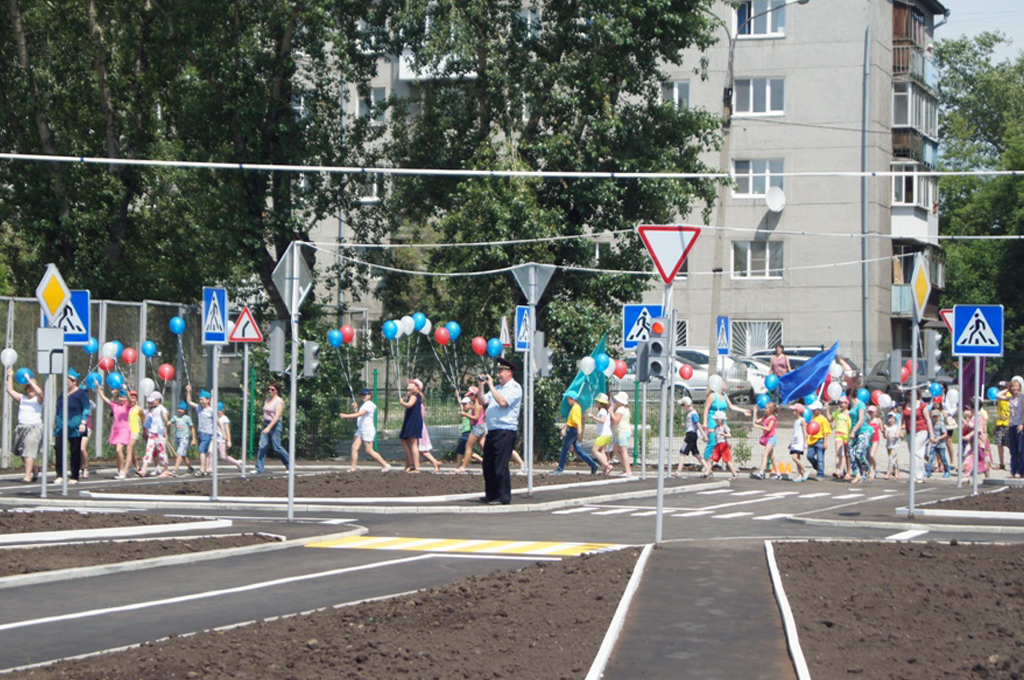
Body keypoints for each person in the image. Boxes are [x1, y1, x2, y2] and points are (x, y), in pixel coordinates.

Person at [476, 357, 522, 505]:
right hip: (493, 430)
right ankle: (491, 494)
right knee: (488, 464)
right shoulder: (498, 388)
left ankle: (503, 497)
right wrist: (482, 386)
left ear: (509, 372)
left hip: (505, 430)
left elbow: (503, 402)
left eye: (501, 371)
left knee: (500, 465)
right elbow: (483, 401)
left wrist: (491, 386)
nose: (498, 374)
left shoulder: (515, 388)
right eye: (497, 371)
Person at [702, 378, 750, 472]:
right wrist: (705, 422)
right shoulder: (712, 396)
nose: (726, 385)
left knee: (727, 443)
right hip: (713, 421)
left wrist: (743, 410)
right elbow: (706, 409)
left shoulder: (724, 395)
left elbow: (731, 406)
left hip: (723, 421)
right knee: (712, 442)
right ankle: (705, 464)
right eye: (725, 383)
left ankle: (730, 465)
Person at [338, 388, 390, 472]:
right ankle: (353, 468)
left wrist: (345, 416)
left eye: (364, 395)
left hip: (367, 430)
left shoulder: (369, 404)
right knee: (354, 447)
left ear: (369, 396)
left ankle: (385, 465)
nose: (363, 396)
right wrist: (356, 409)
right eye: (361, 395)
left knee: (369, 450)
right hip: (361, 429)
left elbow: (360, 414)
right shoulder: (365, 404)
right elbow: (360, 413)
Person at [6, 367, 44, 483]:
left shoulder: (39, 399)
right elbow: (10, 390)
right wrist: (10, 376)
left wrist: (30, 379)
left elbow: (40, 392)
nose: (30, 389)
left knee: (28, 452)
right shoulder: (23, 398)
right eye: (28, 388)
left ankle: (27, 476)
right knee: (23, 454)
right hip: (22, 427)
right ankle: (34, 469)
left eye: (31, 387)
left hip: (34, 427)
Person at [53, 368, 90, 484]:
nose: (67, 382)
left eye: (69, 380)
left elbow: (86, 408)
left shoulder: (81, 394)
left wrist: (83, 422)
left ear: (74, 382)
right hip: (61, 426)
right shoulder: (63, 393)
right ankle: (60, 474)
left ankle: (74, 475)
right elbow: (58, 408)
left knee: (75, 451)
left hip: (75, 427)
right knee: (59, 449)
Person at [552, 390, 599, 475]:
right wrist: (565, 428)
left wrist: (579, 433)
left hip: (572, 431)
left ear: (573, 399)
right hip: (572, 429)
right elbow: (570, 421)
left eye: (568, 399)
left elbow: (578, 422)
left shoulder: (576, 408)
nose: (567, 401)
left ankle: (560, 469)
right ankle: (593, 465)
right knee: (578, 450)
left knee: (565, 449)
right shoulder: (574, 408)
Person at [400, 378, 439, 473]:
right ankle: (411, 464)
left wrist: (402, 403)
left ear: (416, 387)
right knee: (405, 441)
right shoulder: (413, 395)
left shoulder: (414, 396)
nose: (409, 384)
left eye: (412, 383)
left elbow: (409, 405)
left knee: (413, 444)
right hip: (411, 421)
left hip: (413, 421)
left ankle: (416, 467)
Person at [97, 387, 132, 478]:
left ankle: (122, 470)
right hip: (115, 431)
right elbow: (103, 398)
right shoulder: (114, 405)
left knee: (118, 450)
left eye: (123, 397)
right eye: (120, 397)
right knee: (117, 452)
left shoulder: (127, 406)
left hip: (124, 430)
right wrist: (98, 388)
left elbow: (131, 401)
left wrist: (126, 390)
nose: (121, 399)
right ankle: (120, 470)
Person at [254, 382, 289, 473]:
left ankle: (290, 465)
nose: (270, 391)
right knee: (262, 446)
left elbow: (277, 416)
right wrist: (265, 425)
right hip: (266, 424)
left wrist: (269, 428)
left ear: (277, 391)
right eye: (269, 389)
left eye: (272, 389)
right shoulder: (267, 400)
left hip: (275, 425)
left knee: (277, 447)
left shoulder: (279, 401)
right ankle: (259, 468)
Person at [902, 389, 934, 483]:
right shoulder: (905, 406)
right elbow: (901, 419)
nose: (911, 395)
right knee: (913, 453)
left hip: (921, 430)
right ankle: (916, 474)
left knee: (917, 452)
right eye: (910, 394)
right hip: (909, 431)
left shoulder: (922, 405)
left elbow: (928, 420)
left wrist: (931, 434)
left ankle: (919, 476)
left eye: (914, 394)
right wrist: (898, 430)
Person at [138, 391, 171, 478]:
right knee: (148, 450)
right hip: (152, 433)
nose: (151, 403)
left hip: (159, 434)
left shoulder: (161, 408)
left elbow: (165, 416)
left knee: (161, 452)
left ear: (158, 400)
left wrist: (166, 421)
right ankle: (144, 469)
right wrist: (145, 429)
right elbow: (149, 420)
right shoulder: (152, 410)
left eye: (153, 401)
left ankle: (166, 470)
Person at [996, 377, 1024, 478]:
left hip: (1019, 424)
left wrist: (1022, 423)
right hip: (1011, 424)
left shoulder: (1022, 397)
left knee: (1021, 449)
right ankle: (1014, 469)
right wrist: (1008, 389)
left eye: (1016, 386)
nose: (1015, 388)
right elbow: (998, 395)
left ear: (1020, 387)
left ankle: (1020, 471)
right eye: (1013, 386)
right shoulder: (1011, 398)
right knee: (1013, 449)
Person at [186, 386, 216, 475]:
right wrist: (189, 392)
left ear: (208, 400)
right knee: (204, 451)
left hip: (207, 434)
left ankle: (202, 469)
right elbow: (189, 402)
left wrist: (213, 395)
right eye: (200, 400)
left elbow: (214, 410)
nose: (201, 401)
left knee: (201, 450)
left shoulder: (211, 410)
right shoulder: (199, 408)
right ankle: (206, 468)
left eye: (203, 400)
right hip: (200, 433)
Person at [455, 387, 486, 473]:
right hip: (482, 426)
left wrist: (465, 415)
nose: (470, 397)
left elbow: (476, 418)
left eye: (471, 395)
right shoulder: (480, 403)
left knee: (468, 446)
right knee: (484, 447)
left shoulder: (476, 404)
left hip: (477, 427)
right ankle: (491, 463)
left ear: (475, 395)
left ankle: (463, 467)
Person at [208, 402, 243, 474]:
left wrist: (229, 440)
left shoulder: (224, 419)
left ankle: (237, 463)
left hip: (221, 439)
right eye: (216, 411)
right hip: (214, 438)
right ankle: (210, 468)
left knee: (223, 456)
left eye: (219, 411)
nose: (218, 412)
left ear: (222, 410)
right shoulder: (214, 418)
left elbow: (227, 430)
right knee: (210, 451)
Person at [704, 411, 738, 480]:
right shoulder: (716, 427)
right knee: (711, 459)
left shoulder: (725, 427)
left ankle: (735, 474)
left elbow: (729, 435)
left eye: (716, 419)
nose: (715, 421)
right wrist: (706, 430)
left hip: (723, 445)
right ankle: (707, 473)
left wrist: (724, 434)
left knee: (727, 460)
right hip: (717, 445)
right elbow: (711, 430)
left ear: (721, 420)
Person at [585, 393, 613, 475]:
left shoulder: (602, 411)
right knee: (602, 451)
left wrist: (593, 417)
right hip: (607, 433)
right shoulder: (605, 411)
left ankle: (607, 465)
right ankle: (605, 469)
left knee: (595, 450)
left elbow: (602, 420)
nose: (596, 403)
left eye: (597, 401)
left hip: (603, 434)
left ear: (601, 403)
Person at [677, 396, 705, 475]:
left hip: (690, 435)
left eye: (683, 406)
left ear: (686, 405)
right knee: (696, 453)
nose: (684, 408)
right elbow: (693, 425)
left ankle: (678, 471)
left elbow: (698, 424)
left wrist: (704, 435)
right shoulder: (691, 413)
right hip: (692, 433)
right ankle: (707, 468)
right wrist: (685, 426)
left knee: (683, 453)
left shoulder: (693, 413)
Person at [751, 401, 778, 480]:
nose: (764, 410)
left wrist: (758, 426)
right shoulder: (765, 417)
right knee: (772, 456)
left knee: (764, 454)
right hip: (767, 437)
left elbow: (768, 428)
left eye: (766, 408)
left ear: (771, 410)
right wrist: (755, 412)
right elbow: (756, 421)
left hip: (771, 438)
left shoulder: (772, 418)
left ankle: (762, 472)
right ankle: (778, 473)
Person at [169, 400, 196, 476]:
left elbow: (192, 428)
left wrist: (194, 439)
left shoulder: (187, 418)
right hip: (178, 437)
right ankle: (190, 467)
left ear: (185, 410)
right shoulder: (175, 417)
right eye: (179, 409)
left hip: (184, 438)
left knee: (179, 453)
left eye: (182, 409)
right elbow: (169, 422)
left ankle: (175, 469)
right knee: (183, 455)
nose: (180, 411)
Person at [805, 401, 831, 480]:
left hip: (820, 440)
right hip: (812, 440)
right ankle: (817, 467)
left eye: (814, 409)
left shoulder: (823, 419)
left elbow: (825, 431)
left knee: (820, 458)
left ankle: (820, 474)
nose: (812, 411)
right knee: (809, 456)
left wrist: (825, 442)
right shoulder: (811, 418)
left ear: (819, 410)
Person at [610, 392, 633, 478]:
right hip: (622, 431)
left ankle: (628, 470)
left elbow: (616, 420)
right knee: (616, 449)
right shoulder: (625, 409)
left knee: (623, 451)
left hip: (622, 431)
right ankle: (625, 467)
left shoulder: (620, 410)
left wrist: (611, 411)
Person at [925, 408, 951, 478]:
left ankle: (947, 471)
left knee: (943, 458)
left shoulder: (941, 424)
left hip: (941, 444)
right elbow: (932, 434)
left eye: (936, 416)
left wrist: (938, 438)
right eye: (933, 416)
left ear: (939, 416)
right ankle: (928, 472)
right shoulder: (932, 424)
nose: (935, 418)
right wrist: (929, 440)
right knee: (931, 458)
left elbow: (945, 434)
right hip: (934, 444)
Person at [832, 397, 852, 479]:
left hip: (846, 435)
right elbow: (832, 421)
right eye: (840, 402)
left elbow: (850, 425)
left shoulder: (849, 413)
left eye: (843, 403)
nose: (841, 404)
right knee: (838, 453)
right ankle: (837, 470)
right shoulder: (837, 413)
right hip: (838, 434)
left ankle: (842, 470)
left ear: (847, 404)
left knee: (845, 454)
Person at [788, 404, 809, 482]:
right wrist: (791, 443)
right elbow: (795, 433)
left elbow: (805, 432)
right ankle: (800, 474)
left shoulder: (802, 420)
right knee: (797, 458)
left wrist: (805, 442)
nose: (793, 412)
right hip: (795, 441)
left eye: (794, 410)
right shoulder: (795, 420)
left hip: (799, 442)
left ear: (798, 412)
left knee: (794, 457)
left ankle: (804, 471)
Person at [125, 390, 143, 476]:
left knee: (129, 448)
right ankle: (137, 466)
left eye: (133, 398)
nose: (132, 399)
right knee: (130, 451)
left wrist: (145, 430)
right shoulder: (126, 407)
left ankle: (126, 469)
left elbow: (144, 419)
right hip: (125, 431)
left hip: (135, 430)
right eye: (130, 397)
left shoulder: (138, 409)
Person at [994, 380, 1010, 470]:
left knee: (1008, 443)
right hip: (1000, 422)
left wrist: (1008, 389)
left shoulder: (1009, 396)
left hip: (1008, 422)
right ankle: (1001, 463)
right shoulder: (1001, 397)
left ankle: (1017, 460)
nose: (1001, 389)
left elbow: (999, 395)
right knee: (999, 443)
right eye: (1000, 387)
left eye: (1003, 387)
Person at [884, 412, 902, 480]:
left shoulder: (897, 427)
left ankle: (889, 472)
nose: (890, 420)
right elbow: (885, 437)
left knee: (891, 458)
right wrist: (885, 431)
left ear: (895, 419)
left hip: (896, 445)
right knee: (894, 459)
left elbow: (902, 435)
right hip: (889, 445)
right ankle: (897, 471)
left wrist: (898, 435)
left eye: (892, 418)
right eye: (889, 418)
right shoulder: (887, 427)